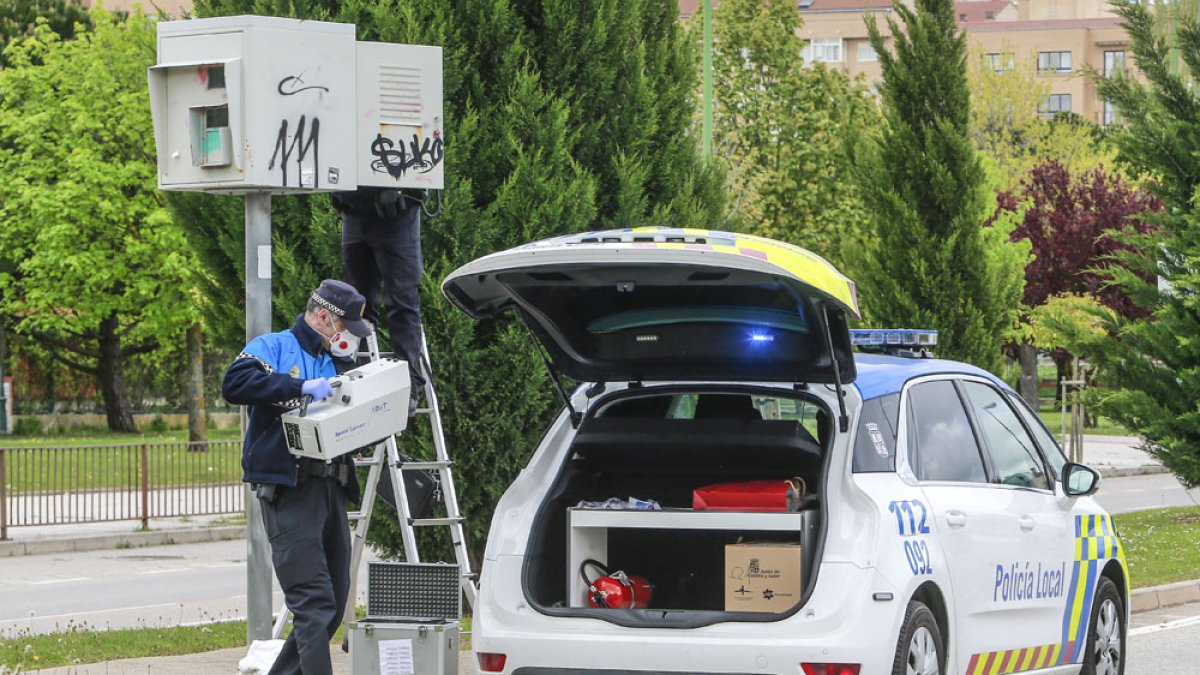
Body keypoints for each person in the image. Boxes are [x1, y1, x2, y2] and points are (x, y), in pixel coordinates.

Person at [222, 279, 373, 675]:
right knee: (313, 601)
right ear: (323, 317)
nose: (348, 338)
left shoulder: (335, 362)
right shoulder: (273, 347)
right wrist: (300, 386)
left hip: (331, 486)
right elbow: (235, 383)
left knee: (333, 601)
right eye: (345, 328)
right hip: (290, 489)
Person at [332, 187, 427, 415]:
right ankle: (357, 381)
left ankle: (408, 387)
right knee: (356, 308)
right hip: (355, 214)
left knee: (402, 305)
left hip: (397, 217)